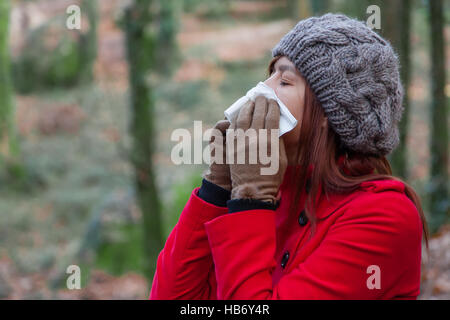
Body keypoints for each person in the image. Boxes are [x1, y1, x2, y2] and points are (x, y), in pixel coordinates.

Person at [150, 13, 428, 300]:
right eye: (268, 75)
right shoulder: (276, 191)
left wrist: (250, 200)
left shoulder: (384, 217)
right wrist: (218, 188)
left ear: (329, 113)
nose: (259, 91)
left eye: (284, 81)